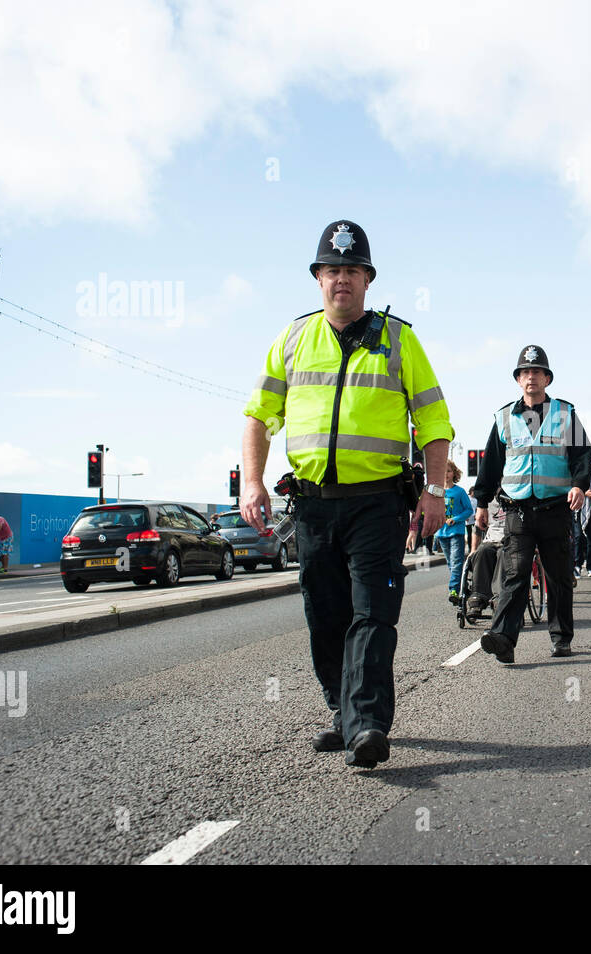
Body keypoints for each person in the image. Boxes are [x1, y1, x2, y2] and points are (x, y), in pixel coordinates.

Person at [241, 219, 451, 770]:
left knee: (373, 613)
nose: (342, 280)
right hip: (312, 505)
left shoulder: (399, 339)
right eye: (332, 270)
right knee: (326, 615)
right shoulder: (292, 339)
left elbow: (432, 421)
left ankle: (368, 723)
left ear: (367, 280)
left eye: (352, 271)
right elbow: (261, 418)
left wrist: (433, 491)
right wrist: (252, 480)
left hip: (379, 502)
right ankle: (344, 712)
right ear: (317, 278)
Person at [473, 345, 591, 662]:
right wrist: (482, 502)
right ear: (518, 379)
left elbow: (582, 456)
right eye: (525, 372)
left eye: (537, 372)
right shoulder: (504, 418)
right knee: (516, 574)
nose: (530, 377)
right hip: (517, 509)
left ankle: (561, 638)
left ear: (547, 378)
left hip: (555, 508)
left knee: (558, 576)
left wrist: (580, 485)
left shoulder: (565, 414)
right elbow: (491, 464)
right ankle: (503, 639)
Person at [465, 497, 507, 618]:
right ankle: (478, 597)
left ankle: (499, 599)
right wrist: (473, 549)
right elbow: (477, 528)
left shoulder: (516, 496)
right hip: (491, 540)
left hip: (509, 541)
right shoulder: (485, 502)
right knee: (481, 551)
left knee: (503, 554)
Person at [437, 460, 472, 604]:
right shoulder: (437, 492)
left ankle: (454, 590)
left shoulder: (459, 491)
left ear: (454, 473)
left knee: (456, 562)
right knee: (451, 564)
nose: (446, 474)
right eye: (443, 471)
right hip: (441, 533)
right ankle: (464, 587)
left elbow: (469, 510)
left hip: (456, 532)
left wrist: (456, 519)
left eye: (449, 471)